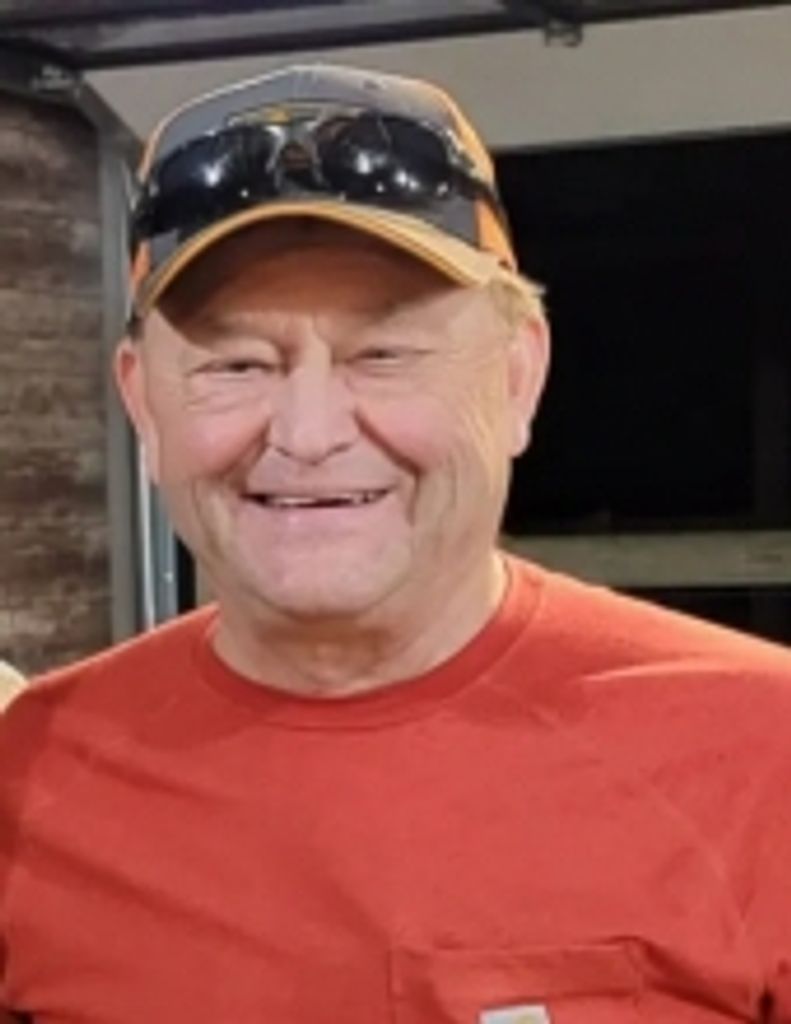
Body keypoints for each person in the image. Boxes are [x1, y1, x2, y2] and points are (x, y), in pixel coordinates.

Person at [1, 64, 790, 1024]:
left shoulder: (761, 752)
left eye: (384, 354)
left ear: (517, 376)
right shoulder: (30, 773)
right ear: (141, 401)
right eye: (236, 364)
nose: (307, 433)